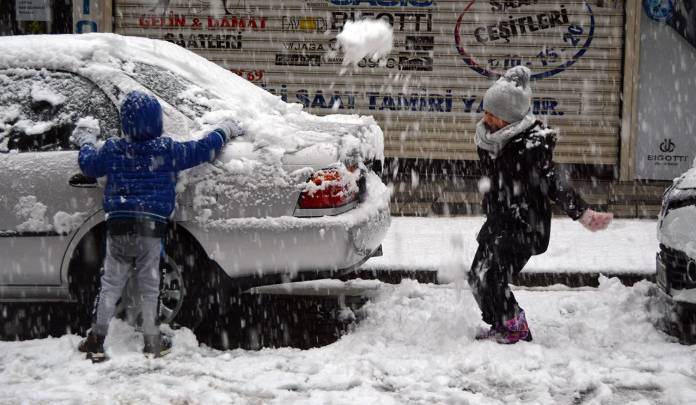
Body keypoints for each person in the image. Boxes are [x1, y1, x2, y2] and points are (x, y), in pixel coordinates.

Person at [73, 90, 244, 362]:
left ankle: (97, 337)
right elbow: (203, 150)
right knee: (150, 285)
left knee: (110, 284)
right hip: (151, 229)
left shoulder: (114, 149)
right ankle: (152, 341)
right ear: (157, 122)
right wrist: (224, 130)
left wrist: (86, 139)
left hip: (118, 226)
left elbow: (88, 164)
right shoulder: (167, 150)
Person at [469, 66, 613, 344]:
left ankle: (515, 327)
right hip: (500, 220)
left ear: (512, 118)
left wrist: (582, 213)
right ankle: (501, 323)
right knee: (477, 276)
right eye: (486, 112)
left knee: (490, 275)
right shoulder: (490, 139)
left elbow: (555, 183)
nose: (487, 119)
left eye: (494, 115)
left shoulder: (531, 148)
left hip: (525, 225)